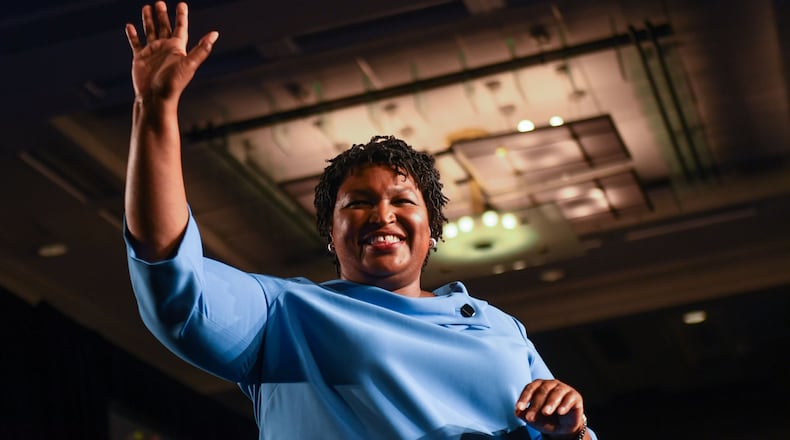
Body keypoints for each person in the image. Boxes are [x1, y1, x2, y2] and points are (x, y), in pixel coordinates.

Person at [123, 2, 597, 439]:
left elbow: (557, 429)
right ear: (331, 233)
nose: (383, 214)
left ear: (432, 229)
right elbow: (171, 278)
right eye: (358, 203)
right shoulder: (287, 316)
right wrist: (155, 111)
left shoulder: (501, 329)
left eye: (403, 201)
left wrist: (571, 429)